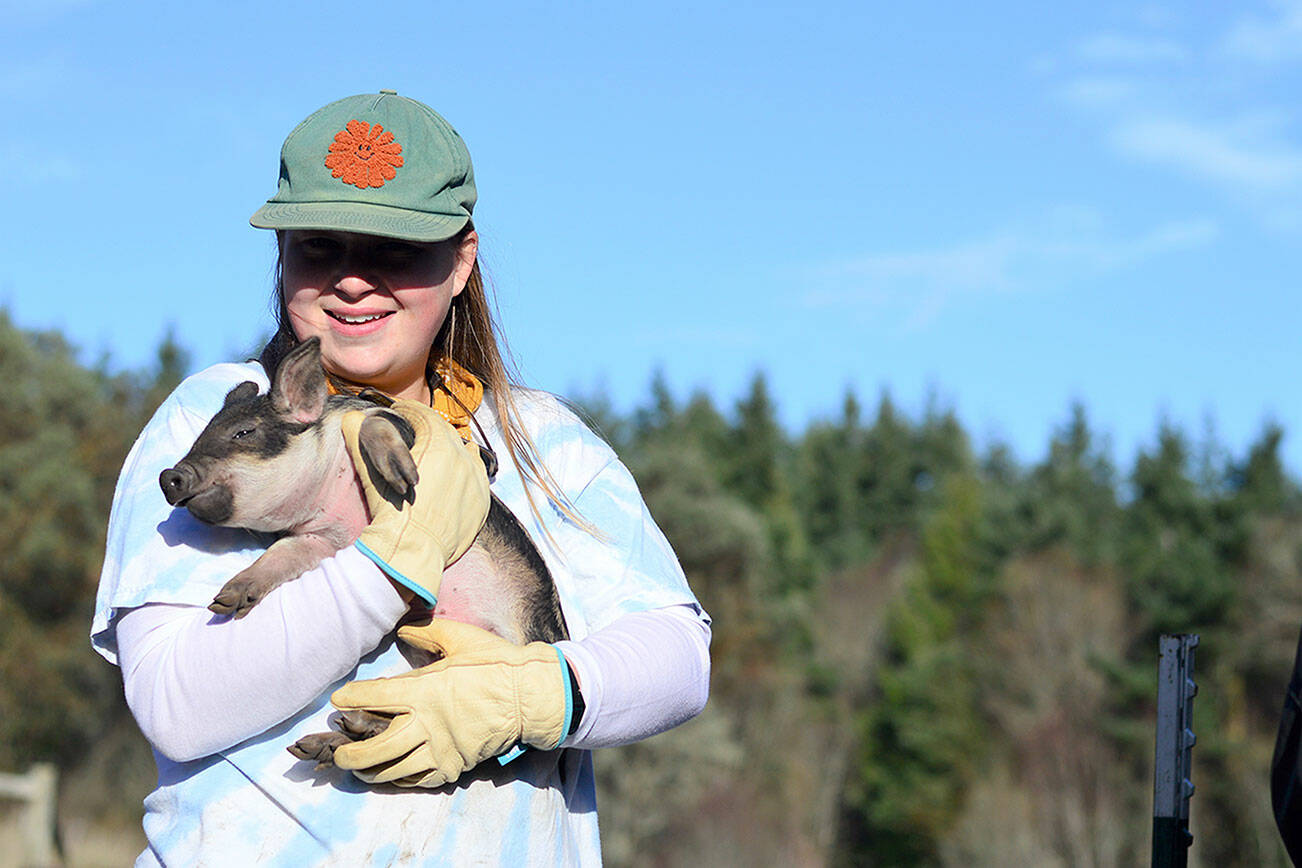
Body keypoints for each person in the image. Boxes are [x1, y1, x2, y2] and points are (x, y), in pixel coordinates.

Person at [91, 91, 711, 865]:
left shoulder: (543, 443)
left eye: (394, 248)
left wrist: (530, 697)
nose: (353, 280)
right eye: (320, 247)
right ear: (280, 256)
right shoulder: (210, 427)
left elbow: (679, 660)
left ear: (461, 260)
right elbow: (177, 706)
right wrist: (391, 561)